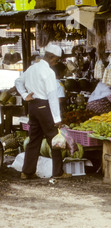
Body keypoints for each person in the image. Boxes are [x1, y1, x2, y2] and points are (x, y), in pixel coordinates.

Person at [15, 44, 72, 180]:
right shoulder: (48, 72)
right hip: (44, 106)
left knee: (34, 139)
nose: (56, 63)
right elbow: (52, 96)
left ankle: (27, 172)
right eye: (56, 60)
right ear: (51, 57)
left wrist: (24, 95)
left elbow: (18, 81)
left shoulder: (32, 68)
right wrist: (57, 118)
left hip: (33, 106)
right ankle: (58, 172)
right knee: (54, 138)